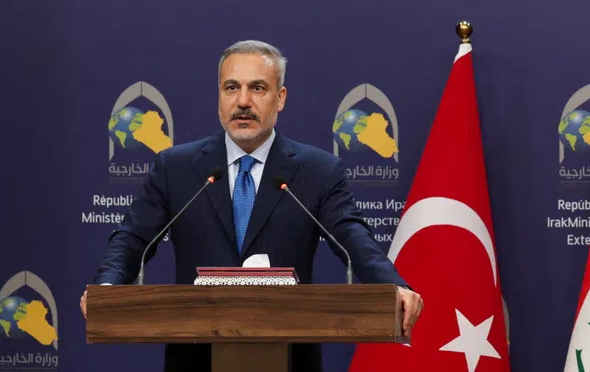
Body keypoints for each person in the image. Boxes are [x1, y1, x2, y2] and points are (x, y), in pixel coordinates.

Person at [80, 40, 424, 372]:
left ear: (281, 98)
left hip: (288, 357)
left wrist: (392, 285)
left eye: (257, 88)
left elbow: (352, 238)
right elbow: (132, 238)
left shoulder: (317, 171)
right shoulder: (177, 167)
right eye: (232, 88)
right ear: (219, 98)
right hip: (195, 358)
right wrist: (107, 289)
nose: (243, 101)